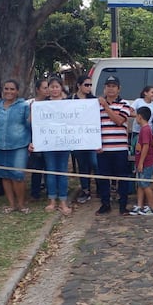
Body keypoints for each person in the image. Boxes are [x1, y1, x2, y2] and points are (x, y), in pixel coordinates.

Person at [95, 75, 134, 216]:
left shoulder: (124, 104)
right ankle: (105, 204)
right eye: (108, 86)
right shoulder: (96, 105)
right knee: (103, 178)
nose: (110, 89)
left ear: (119, 89)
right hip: (103, 148)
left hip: (120, 148)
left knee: (122, 178)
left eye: (113, 86)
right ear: (104, 88)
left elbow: (118, 120)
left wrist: (105, 106)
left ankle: (123, 205)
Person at [0, 79, 31, 214]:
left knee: (18, 175)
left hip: (19, 145)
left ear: (17, 91)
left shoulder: (24, 106)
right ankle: (11, 204)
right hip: (0, 146)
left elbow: (30, 125)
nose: (9, 91)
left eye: (12, 89)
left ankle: (21, 204)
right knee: (5, 176)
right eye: (6, 89)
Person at [40, 77, 73, 216]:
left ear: (61, 88)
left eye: (56, 86)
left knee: (63, 172)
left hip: (64, 142)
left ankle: (63, 201)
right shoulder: (41, 105)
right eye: (51, 87)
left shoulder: (69, 104)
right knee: (51, 172)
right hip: (48, 143)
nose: (54, 89)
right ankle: (52, 200)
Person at [70, 75, 98, 203]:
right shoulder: (70, 100)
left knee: (95, 163)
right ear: (79, 86)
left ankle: (100, 187)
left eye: (90, 85)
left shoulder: (94, 100)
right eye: (86, 85)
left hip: (91, 137)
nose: (89, 87)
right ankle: (85, 189)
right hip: (76, 138)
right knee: (82, 165)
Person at [130, 106, 153, 215]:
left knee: (145, 184)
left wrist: (141, 162)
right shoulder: (144, 129)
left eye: (136, 115)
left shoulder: (145, 130)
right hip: (141, 162)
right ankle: (140, 205)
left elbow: (145, 146)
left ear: (140, 117)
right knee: (140, 184)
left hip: (146, 163)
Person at [27, 78, 49, 203]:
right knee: (36, 168)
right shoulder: (30, 104)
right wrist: (31, 111)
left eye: (48, 87)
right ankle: (35, 193)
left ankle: (49, 190)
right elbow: (28, 123)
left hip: (50, 140)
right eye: (44, 88)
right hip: (36, 140)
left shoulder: (53, 102)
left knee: (49, 166)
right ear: (37, 89)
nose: (47, 90)